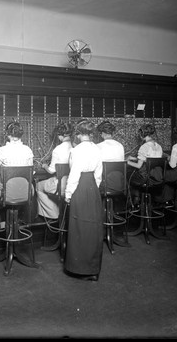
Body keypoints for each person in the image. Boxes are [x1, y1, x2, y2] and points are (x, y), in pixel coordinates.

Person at [63, 119, 103, 281]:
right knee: (93, 227)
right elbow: (99, 173)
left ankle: (78, 268)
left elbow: (74, 174)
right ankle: (93, 269)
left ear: (78, 134)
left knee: (78, 226)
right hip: (93, 187)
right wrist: (94, 188)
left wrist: (68, 194)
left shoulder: (76, 150)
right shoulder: (97, 149)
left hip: (79, 187)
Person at [0, 121, 34, 229]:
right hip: (26, 192)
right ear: (21, 134)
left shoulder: (2, 151)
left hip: (6, 194)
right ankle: (15, 221)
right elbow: (31, 172)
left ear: (7, 134)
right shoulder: (28, 150)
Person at [35, 122, 74, 220]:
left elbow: (51, 171)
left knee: (38, 187)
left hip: (60, 185)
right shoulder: (75, 147)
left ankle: (53, 215)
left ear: (59, 136)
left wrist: (44, 166)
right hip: (73, 184)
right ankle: (62, 215)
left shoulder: (58, 149)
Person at [126, 123, 164, 206]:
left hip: (146, 178)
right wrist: (133, 158)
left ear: (141, 134)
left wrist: (126, 162)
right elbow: (150, 159)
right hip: (157, 177)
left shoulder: (144, 147)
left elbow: (139, 166)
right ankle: (139, 199)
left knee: (127, 175)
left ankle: (134, 203)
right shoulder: (158, 146)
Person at [97, 120, 125, 195]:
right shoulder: (120, 146)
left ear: (102, 133)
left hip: (105, 184)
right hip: (120, 183)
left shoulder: (99, 146)